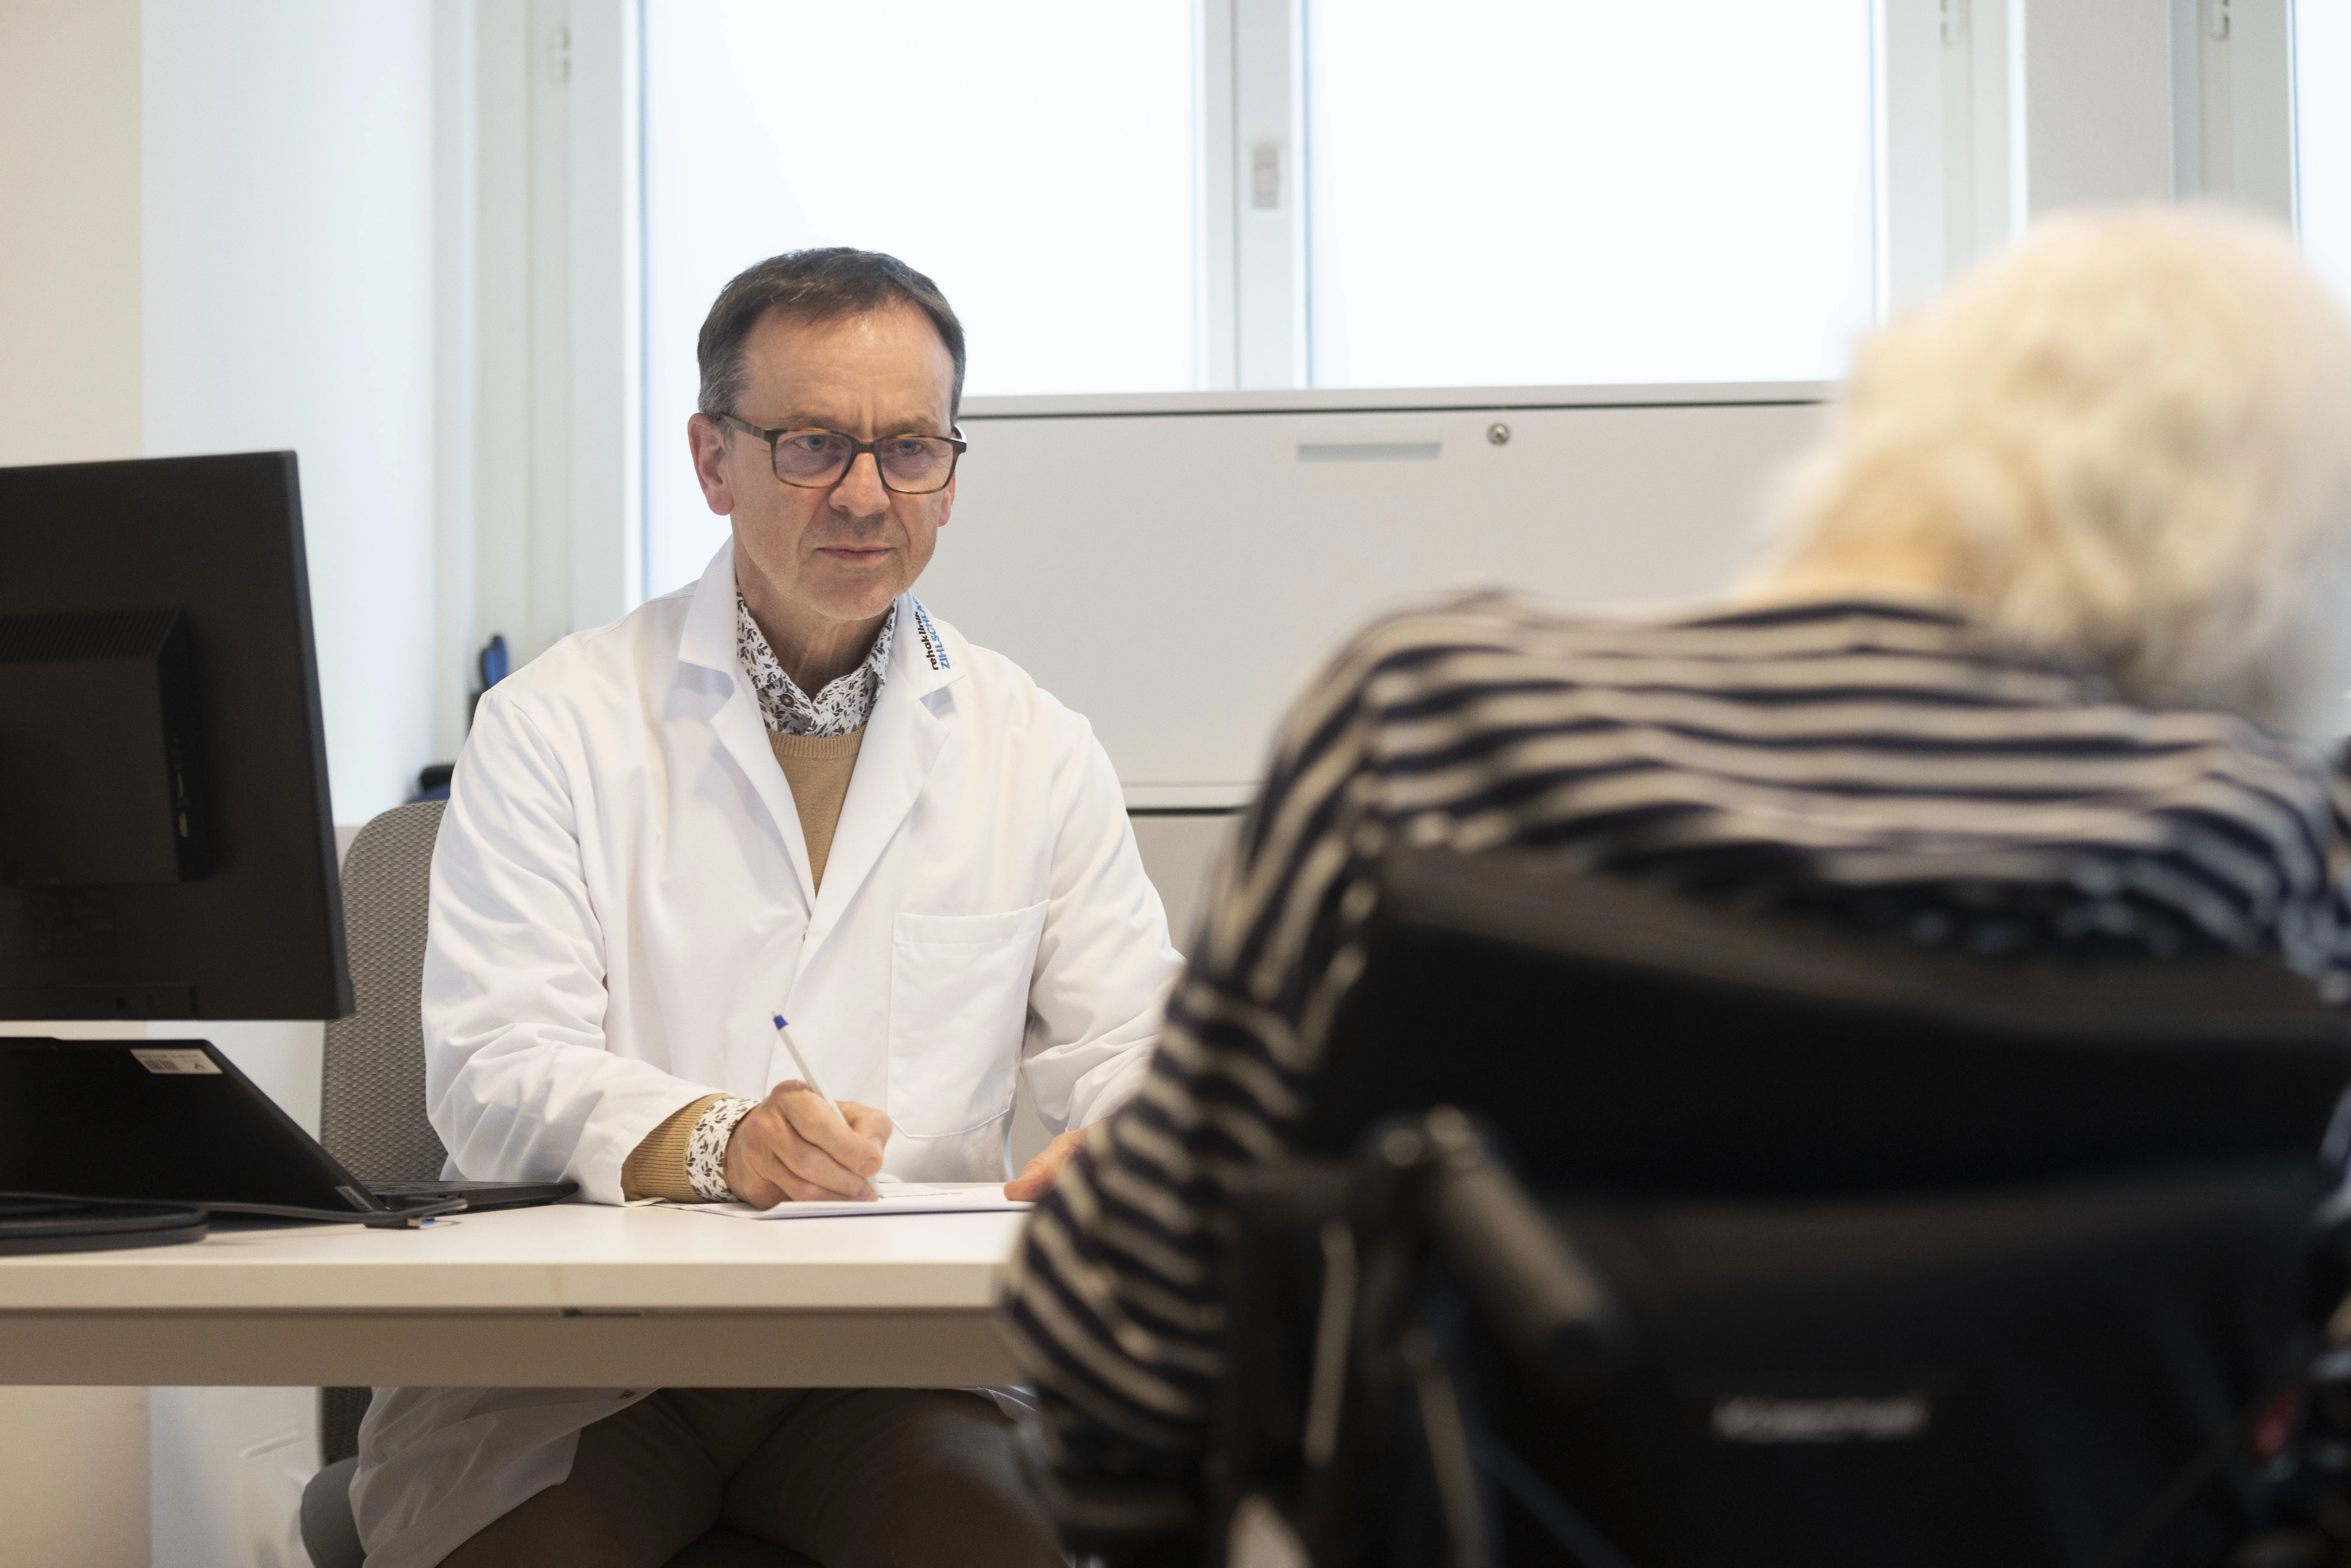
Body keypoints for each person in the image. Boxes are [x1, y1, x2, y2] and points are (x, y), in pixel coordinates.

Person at [1001, 206, 2351, 1522]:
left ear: (1892, 421)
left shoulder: (1436, 727)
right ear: (2267, 559)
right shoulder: (2270, 848)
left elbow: (1134, 1345)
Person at [351, 248, 1182, 1568]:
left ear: (951, 476)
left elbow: (1138, 1047)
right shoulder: (553, 724)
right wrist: (715, 1139)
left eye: (909, 447)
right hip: (582, 1367)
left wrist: (1137, 1148)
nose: (865, 493)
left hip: (895, 1365)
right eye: (813, 445)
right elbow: (493, 1072)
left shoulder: (1037, 746)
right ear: (711, 460)